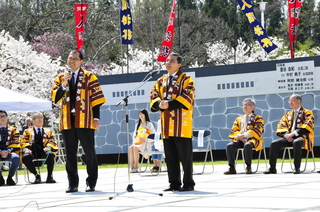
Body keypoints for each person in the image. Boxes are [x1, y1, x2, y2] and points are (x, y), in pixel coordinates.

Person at [51, 50, 106, 193]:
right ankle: (72, 184)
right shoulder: (61, 77)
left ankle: (91, 182)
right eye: (70, 58)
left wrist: (96, 118)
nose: (72, 61)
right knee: (70, 154)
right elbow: (55, 98)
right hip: (67, 121)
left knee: (89, 152)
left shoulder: (90, 76)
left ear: (81, 61)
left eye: (75, 59)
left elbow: (97, 100)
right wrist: (63, 84)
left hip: (85, 120)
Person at [150, 52, 196, 192]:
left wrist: (169, 104)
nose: (168, 63)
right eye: (167, 60)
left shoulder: (186, 79)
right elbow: (153, 95)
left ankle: (188, 183)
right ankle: (174, 183)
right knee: (170, 156)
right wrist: (159, 103)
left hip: (181, 124)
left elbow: (188, 95)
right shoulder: (160, 80)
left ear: (179, 64)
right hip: (166, 124)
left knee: (185, 156)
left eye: (172, 61)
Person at [264, 94, 314, 174]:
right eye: (289, 101)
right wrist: (286, 135)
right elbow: (281, 125)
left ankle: (297, 167)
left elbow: (307, 125)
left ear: (299, 101)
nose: (290, 102)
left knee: (296, 142)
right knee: (274, 144)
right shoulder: (287, 114)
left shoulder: (307, 112)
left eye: (292, 100)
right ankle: (272, 168)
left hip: (303, 137)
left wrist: (293, 134)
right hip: (288, 138)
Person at [224, 98, 264, 175]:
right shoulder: (238, 119)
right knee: (230, 146)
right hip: (240, 139)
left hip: (252, 139)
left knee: (248, 145)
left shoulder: (258, 118)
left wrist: (245, 135)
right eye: (244, 105)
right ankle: (232, 168)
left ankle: (248, 166)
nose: (245, 106)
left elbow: (257, 130)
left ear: (253, 108)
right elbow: (234, 130)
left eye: (248, 104)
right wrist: (240, 136)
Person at [21, 113, 58, 184]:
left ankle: (49, 176)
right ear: (33, 120)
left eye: (41, 118)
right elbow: (23, 141)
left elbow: (52, 141)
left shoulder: (48, 131)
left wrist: (49, 147)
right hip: (32, 150)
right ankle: (36, 176)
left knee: (50, 154)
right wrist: (26, 149)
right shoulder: (27, 131)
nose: (40, 119)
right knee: (26, 157)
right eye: (38, 118)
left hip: (44, 150)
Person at [129, 109, 155, 173]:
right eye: (140, 114)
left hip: (146, 143)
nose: (141, 115)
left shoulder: (149, 124)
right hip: (138, 143)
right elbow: (134, 135)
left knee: (135, 148)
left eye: (142, 114)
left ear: (145, 115)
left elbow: (153, 135)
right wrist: (135, 141)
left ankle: (136, 166)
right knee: (130, 148)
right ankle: (131, 165)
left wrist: (145, 139)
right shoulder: (137, 125)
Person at [0, 110, 20, 186]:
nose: (2, 118)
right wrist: (0, 152)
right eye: (0, 117)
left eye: (3, 116)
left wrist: (8, 151)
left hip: (9, 152)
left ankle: (10, 177)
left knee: (16, 157)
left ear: (7, 118)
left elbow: (15, 142)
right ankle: (0, 177)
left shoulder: (14, 130)